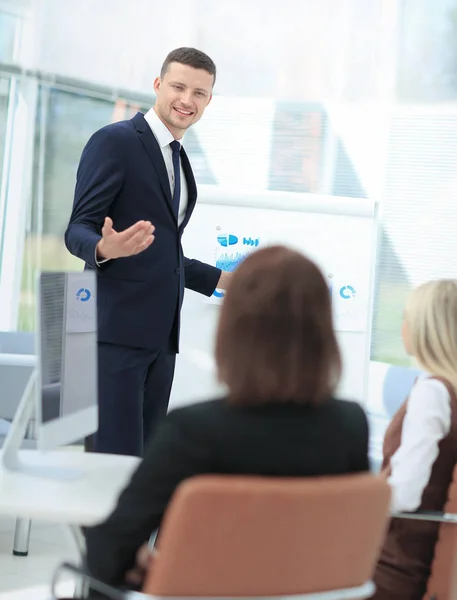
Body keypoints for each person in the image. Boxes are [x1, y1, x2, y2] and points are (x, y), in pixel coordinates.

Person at [84, 245, 370, 589]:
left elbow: (106, 554)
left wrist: (153, 566)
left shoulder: (193, 432)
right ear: (323, 331)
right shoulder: (351, 426)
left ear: (233, 330)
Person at [65, 47, 231, 457]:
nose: (187, 100)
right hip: (109, 334)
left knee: (143, 471)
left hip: (159, 340)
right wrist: (104, 247)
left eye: (200, 93)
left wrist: (227, 281)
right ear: (158, 85)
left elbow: (162, 252)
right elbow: (76, 230)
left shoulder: (179, 159)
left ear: (209, 100)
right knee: (111, 468)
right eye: (178, 87)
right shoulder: (116, 141)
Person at [373, 280, 457, 600]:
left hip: (395, 567)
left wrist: (353, 499)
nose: (402, 327)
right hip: (423, 559)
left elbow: (404, 496)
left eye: (406, 318)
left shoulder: (432, 392)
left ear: (424, 327)